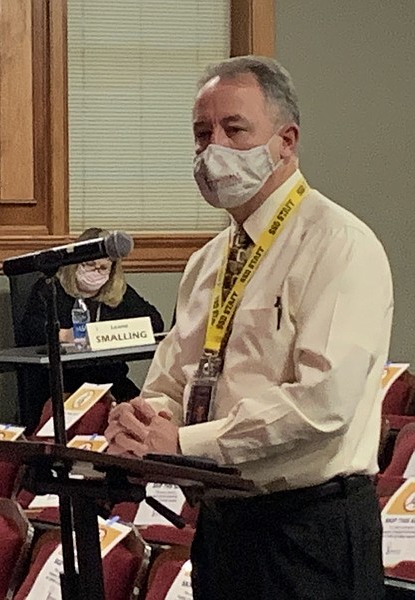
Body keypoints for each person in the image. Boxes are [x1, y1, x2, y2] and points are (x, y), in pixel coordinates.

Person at [104, 56, 392, 599]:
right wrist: (142, 423)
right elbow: (171, 381)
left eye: (235, 130)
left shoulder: (339, 245)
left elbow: (322, 404)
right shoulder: (207, 261)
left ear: (286, 140)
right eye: (201, 133)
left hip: (308, 528)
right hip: (222, 523)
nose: (213, 149)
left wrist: (183, 443)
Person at [20, 227, 165, 405]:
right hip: (65, 385)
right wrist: (64, 335)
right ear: (75, 264)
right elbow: (28, 330)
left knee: (144, 412)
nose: (96, 272)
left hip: (111, 382)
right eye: (90, 265)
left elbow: (155, 322)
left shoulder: (117, 291)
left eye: (103, 268)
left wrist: (115, 331)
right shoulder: (49, 287)